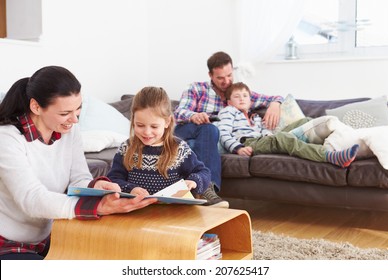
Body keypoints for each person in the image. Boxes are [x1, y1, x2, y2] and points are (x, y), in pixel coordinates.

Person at [0, 66, 157, 260]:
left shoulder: (69, 130)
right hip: (7, 244)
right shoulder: (7, 138)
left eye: (78, 110)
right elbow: (31, 199)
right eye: (65, 112)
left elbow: (79, 178)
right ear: (36, 107)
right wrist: (97, 207)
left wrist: (96, 186)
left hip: (51, 236)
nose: (74, 120)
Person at [174, 51, 284, 207]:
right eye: (220, 78)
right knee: (209, 129)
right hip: (186, 129)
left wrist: (275, 104)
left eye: (229, 75)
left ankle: (199, 192)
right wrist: (194, 116)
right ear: (210, 75)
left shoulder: (236, 94)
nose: (226, 81)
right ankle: (207, 189)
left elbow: (274, 98)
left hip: (207, 137)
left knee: (200, 141)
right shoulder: (197, 89)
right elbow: (179, 112)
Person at [107, 87, 216, 204]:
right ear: (133, 120)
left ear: (167, 122)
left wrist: (193, 181)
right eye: (140, 125)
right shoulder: (126, 148)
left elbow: (203, 172)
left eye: (154, 127)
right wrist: (131, 189)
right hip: (138, 212)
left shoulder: (179, 148)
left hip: (172, 213)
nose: (147, 132)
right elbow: (113, 179)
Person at [217, 82, 359, 167]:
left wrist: (267, 133)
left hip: (264, 140)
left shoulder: (255, 117)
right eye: (237, 96)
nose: (241, 99)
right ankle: (330, 156)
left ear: (250, 100)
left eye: (245, 96)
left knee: (306, 121)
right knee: (283, 138)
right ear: (229, 102)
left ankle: (340, 144)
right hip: (249, 143)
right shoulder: (229, 111)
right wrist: (238, 148)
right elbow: (222, 133)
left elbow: (265, 132)